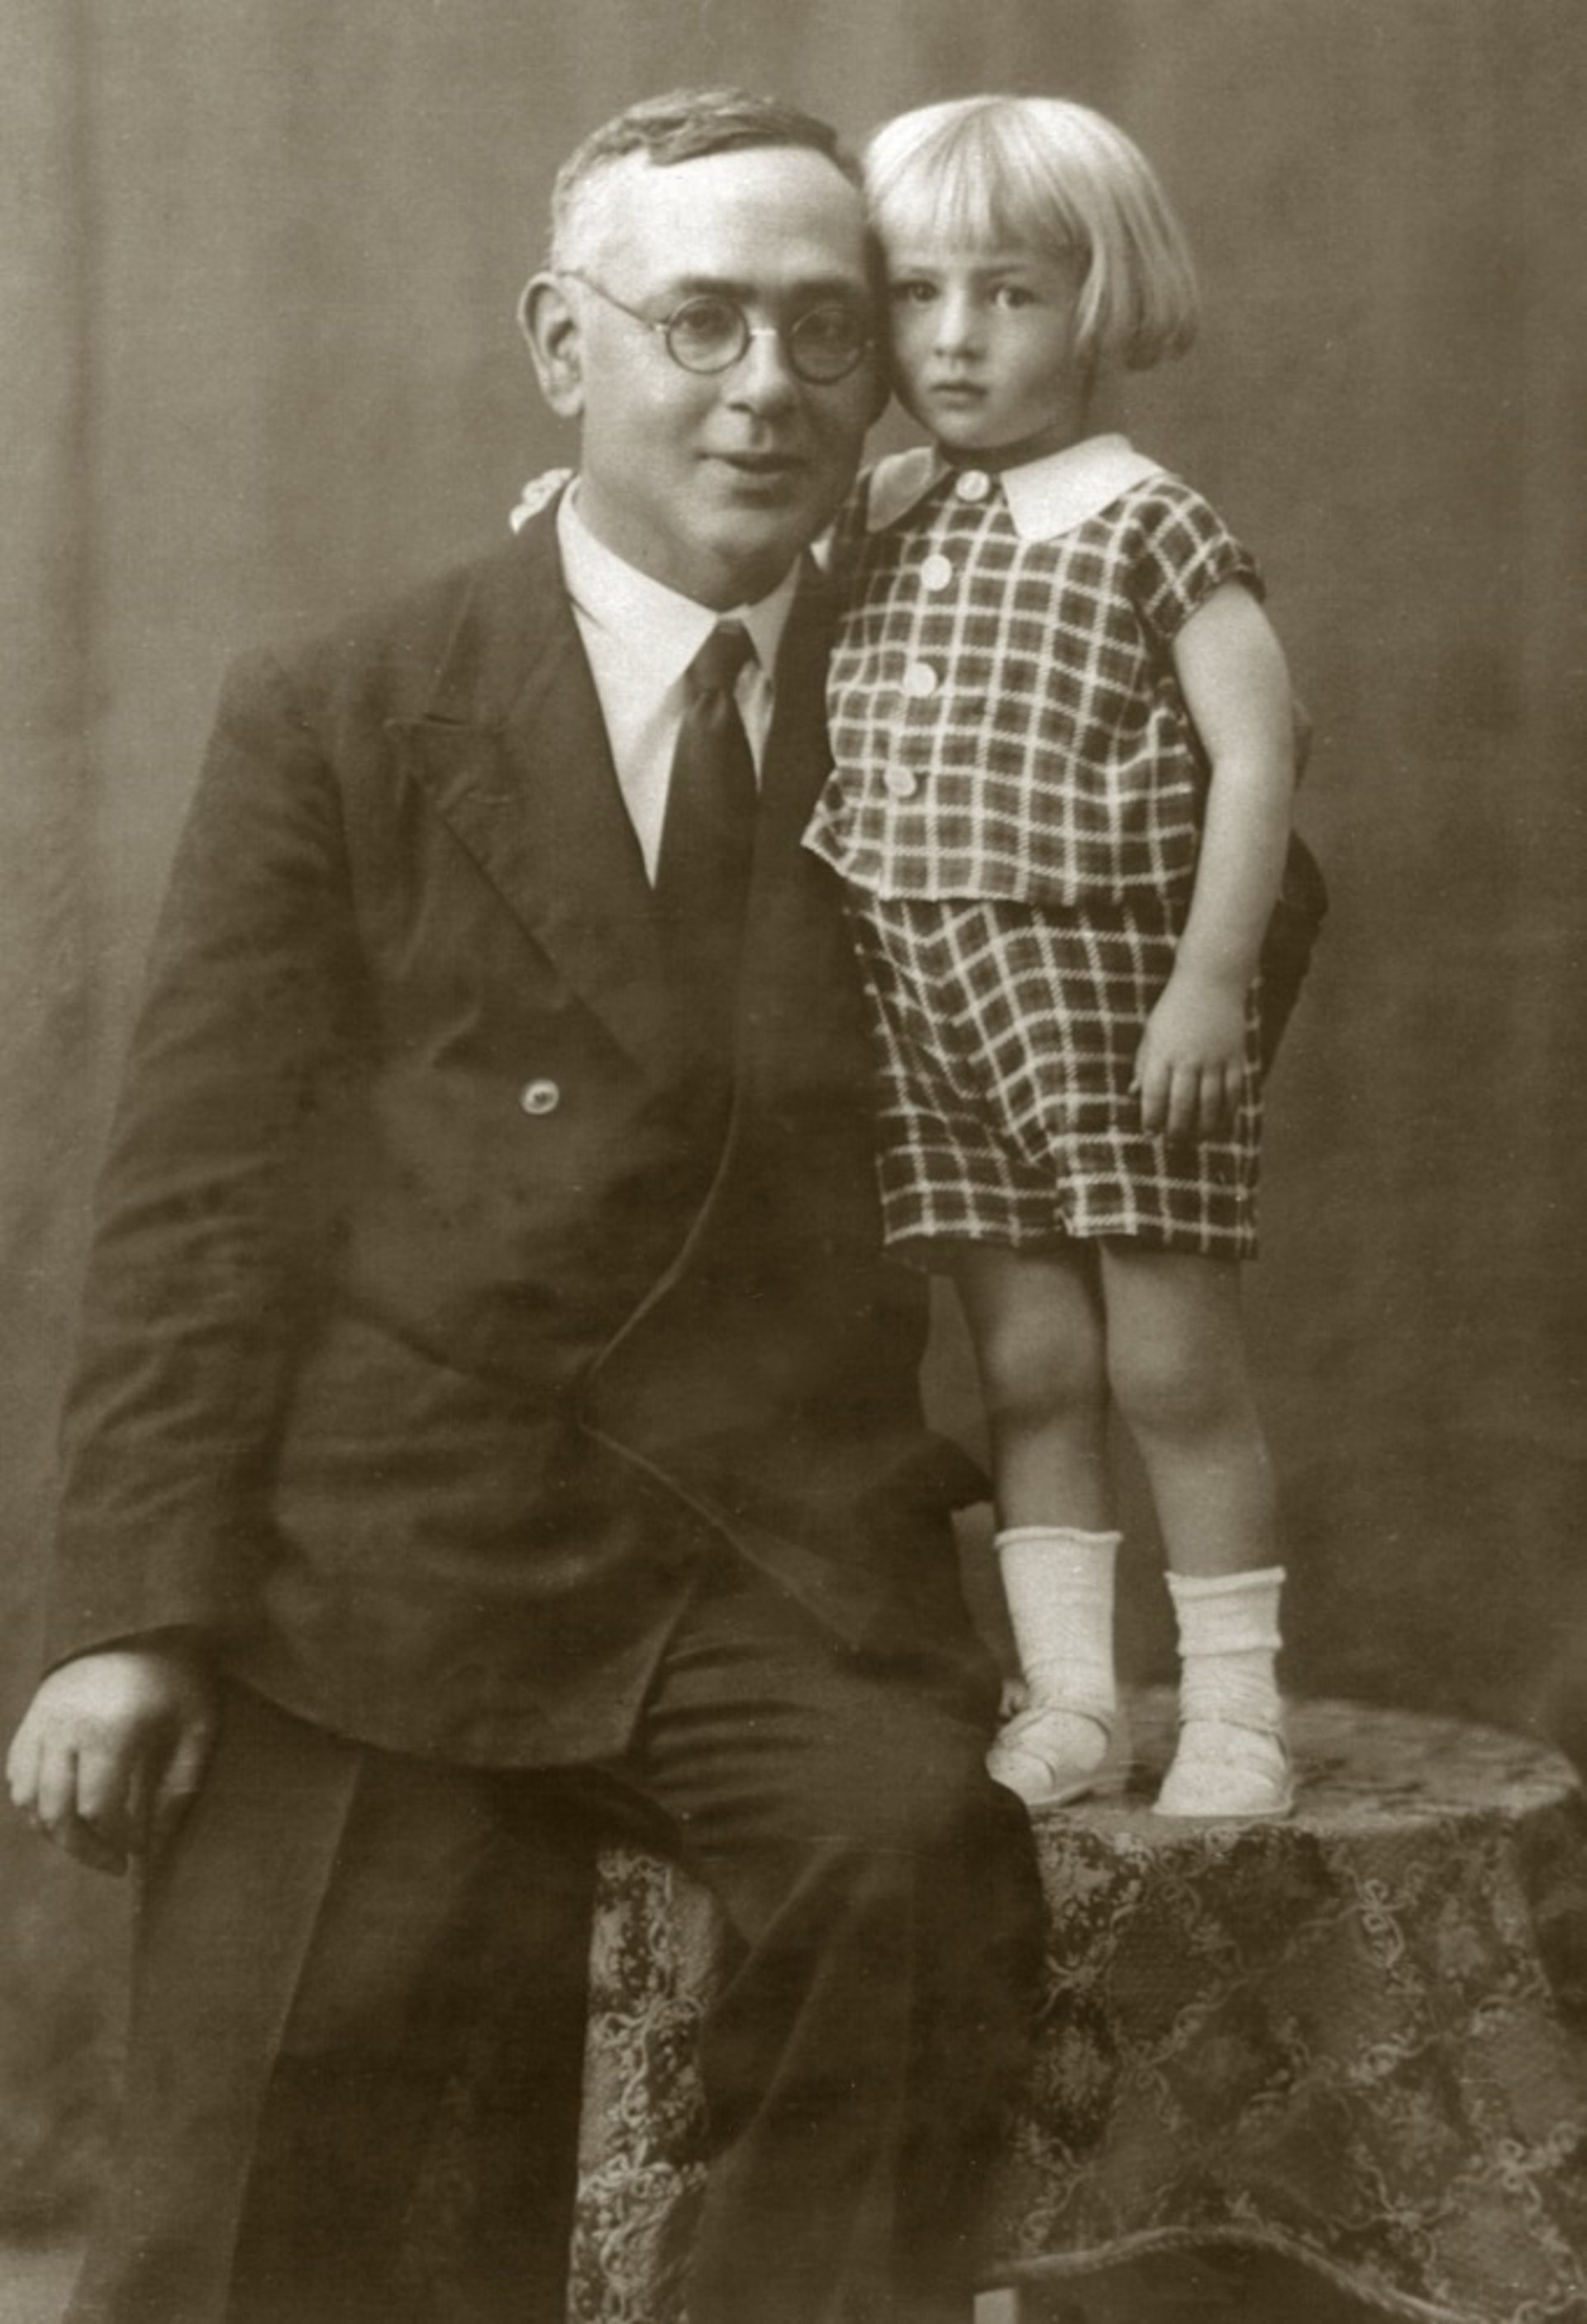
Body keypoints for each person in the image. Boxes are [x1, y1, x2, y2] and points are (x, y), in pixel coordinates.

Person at [6, 88, 1041, 2324]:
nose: (767, 387)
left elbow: (1167, 977)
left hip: (768, 1549)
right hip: (389, 1537)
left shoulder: (960, 685)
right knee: (270, 2176)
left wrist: (1149, 732)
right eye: (701, 323)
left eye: (826, 331)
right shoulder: (353, 707)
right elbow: (198, 1191)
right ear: (565, 344)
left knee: (921, 1867)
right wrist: (129, 1615)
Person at [805, 94, 1311, 1822]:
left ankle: (1235, 1711)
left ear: (1098, 302)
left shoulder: (1148, 521)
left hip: (1104, 999)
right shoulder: (880, 508)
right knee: (1026, 1365)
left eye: (1008, 293)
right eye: (917, 292)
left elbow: (1260, 749)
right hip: (926, 1005)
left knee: (1170, 1362)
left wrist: (1210, 981)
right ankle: (1077, 1700)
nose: (955, 337)